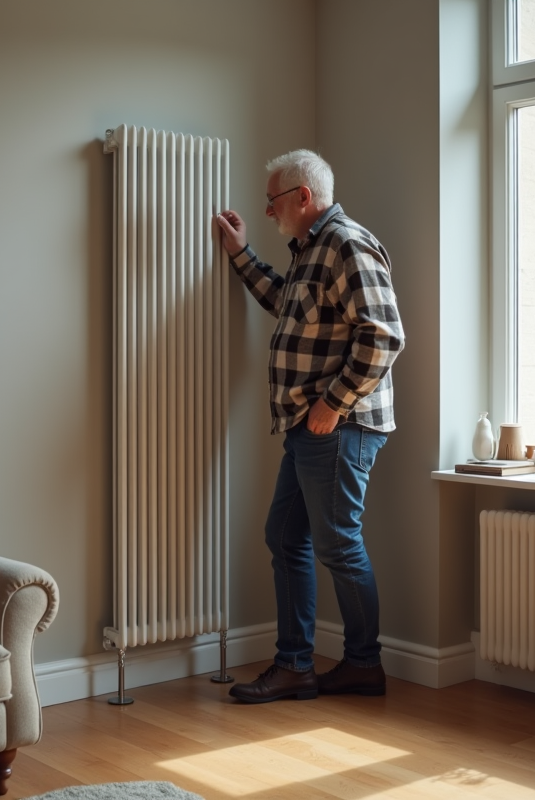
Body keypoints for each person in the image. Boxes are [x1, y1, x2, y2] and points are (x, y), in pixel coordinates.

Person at [215, 150, 404, 703]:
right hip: (311, 426)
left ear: (303, 197)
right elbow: (288, 305)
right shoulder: (310, 250)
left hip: (337, 426)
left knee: (339, 544)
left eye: (272, 200)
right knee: (285, 536)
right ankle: (296, 665)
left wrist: (334, 403)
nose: (266, 210)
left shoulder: (345, 243)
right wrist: (241, 253)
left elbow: (385, 336)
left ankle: (362, 664)